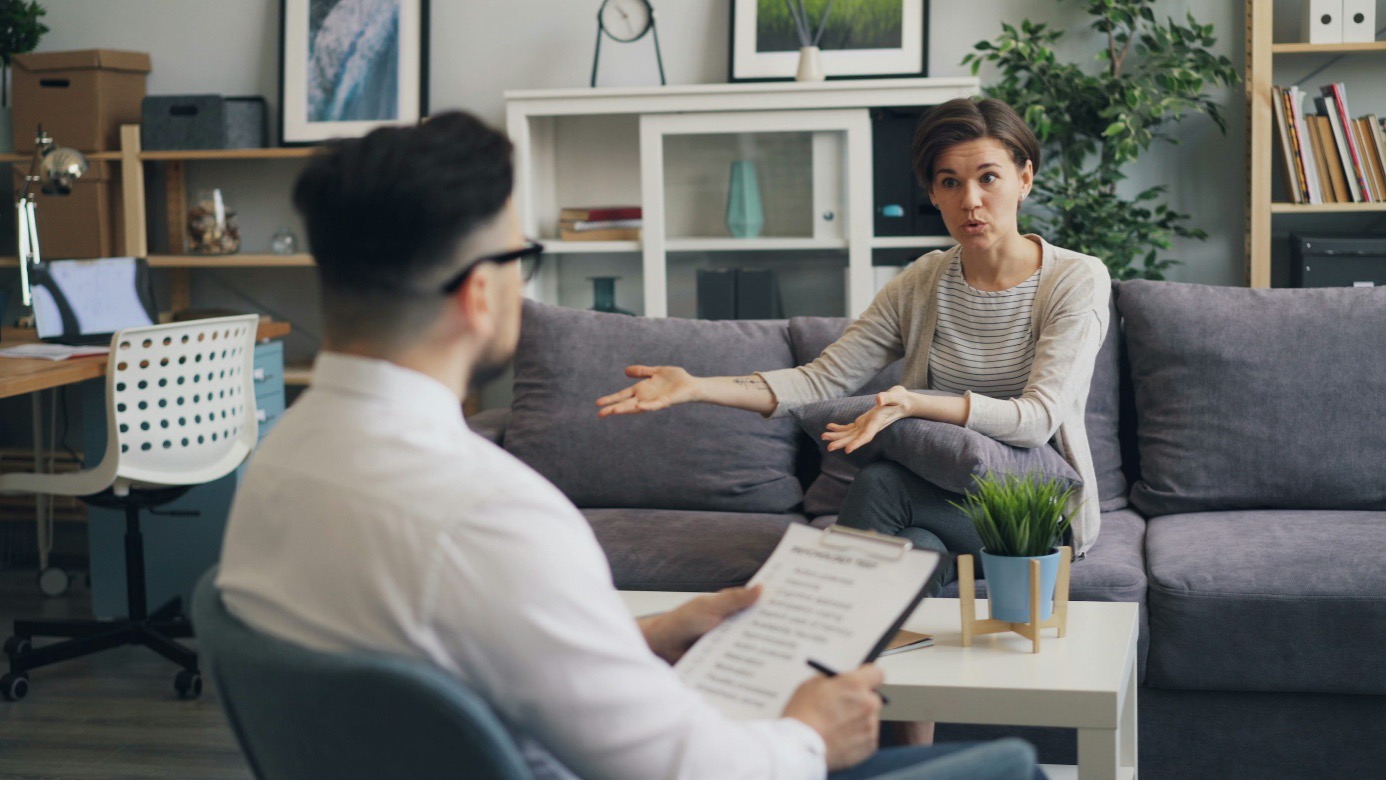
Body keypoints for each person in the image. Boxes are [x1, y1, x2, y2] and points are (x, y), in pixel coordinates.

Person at [215, 111, 1042, 779]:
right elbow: (685, 767)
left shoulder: (274, 468)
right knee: (1011, 768)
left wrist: (650, 631)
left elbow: (451, 649)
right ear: (478, 293)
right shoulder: (493, 515)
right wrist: (809, 734)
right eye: (521, 257)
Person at [597, 97, 1110, 595]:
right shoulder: (923, 281)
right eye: (949, 182)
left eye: (988, 177)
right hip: (942, 501)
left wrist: (912, 402)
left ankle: (809, 642)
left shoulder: (1074, 279)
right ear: (932, 193)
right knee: (914, 550)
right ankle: (880, 663)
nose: (969, 200)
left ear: (1024, 178)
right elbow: (820, 380)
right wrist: (694, 388)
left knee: (883, 485)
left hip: (1035, 514)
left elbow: (1038, 418)